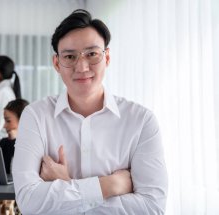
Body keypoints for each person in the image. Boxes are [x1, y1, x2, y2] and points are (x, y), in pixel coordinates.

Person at [12, 9, 168, 214]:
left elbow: (151, 207)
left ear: (107, 57)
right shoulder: (36, 116)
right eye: (70, 56)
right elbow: (28, 202)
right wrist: (110, 185)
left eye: (92, 54)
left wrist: (66, 184)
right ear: (57, 63)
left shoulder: (141, 121)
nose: (82, 66)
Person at [0, 98, 29, 174]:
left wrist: (15, 141)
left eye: (8, 121)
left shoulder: (33, 146)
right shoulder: (4, 143)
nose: (4, 126)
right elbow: (4, 173)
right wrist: (12, 141)